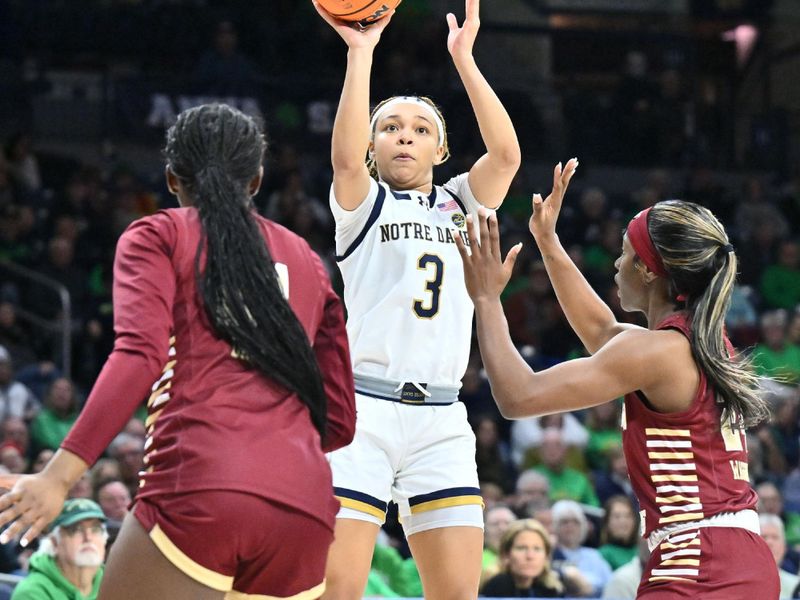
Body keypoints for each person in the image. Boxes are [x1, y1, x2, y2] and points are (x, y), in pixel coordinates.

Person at [0, 103, 356, 600]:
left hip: (203, 480)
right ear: (255, 181)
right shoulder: (308, 261)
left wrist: (59, 477)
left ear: (172, 179)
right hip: (305, 508)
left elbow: (139, 355)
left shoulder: (160, 233)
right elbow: (339, 420)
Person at [455, 159, 779, 597]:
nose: (616, 263)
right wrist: (548, 243)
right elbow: (603, 333)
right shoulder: (695, 341)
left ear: (647, 270)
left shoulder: (658, 351)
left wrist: (486, 298)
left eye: (625, 253)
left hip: (699, 559)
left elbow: (518, 396)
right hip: (739, 555)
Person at [313, 0, 521, 597]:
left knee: (458, 593)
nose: (405, 135)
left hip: (442, 417)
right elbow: (344, 158)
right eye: (391, 128)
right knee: (337, 590)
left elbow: (507, 156)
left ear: (441, 151)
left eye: (421, 129)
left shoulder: (461, 203)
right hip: (362, 413)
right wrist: (361, 52)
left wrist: (465, 59)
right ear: (375, 147)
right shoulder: (362, 205)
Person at [11, 498, 107, 600]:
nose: (88, 537)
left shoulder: (115, 581)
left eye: (96, 529)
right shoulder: (31, 593)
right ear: (55, 543)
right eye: (75, 530)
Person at [481, 518, 565, 598]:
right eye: (521, 548)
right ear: (506, 554)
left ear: (546, 555)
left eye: (537, 549)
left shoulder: (553, 588)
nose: (530, 556)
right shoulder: (495, 586)